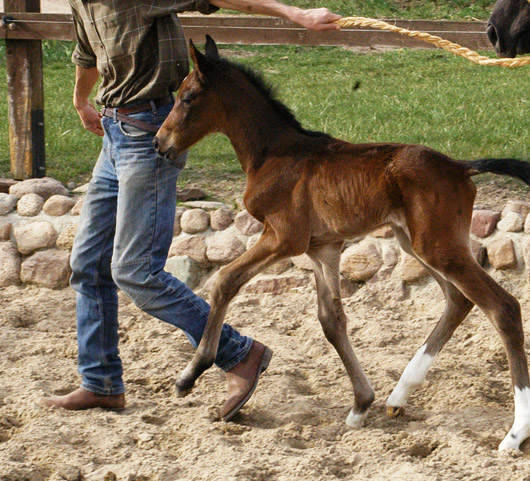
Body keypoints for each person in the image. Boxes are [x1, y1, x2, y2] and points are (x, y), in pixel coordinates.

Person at [39, 1, 341, 420]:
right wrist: (81, 99)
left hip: (150, 135)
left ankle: (239, 353)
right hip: (114, 134)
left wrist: (296, 14)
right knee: (88, 264)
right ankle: (101, 383)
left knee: (135, 271)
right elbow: (88, 52)